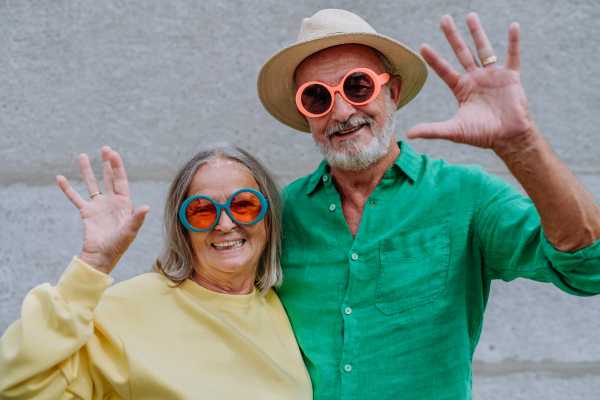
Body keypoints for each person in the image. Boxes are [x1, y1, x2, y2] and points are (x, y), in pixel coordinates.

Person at [257, 9, 600, 399]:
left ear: (393, 92)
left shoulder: (465, 195)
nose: (341, 111)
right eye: (317, 97)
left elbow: (590, 268)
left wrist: (521, 142)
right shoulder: (279, 215)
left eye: (358, 86)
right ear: (307, 115)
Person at [0, 144, 312, 399]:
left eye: (244, 205)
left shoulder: (285, 307)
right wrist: (92, 266)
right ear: (182, 229)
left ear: (269, 220)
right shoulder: (122, 312)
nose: (226, 224)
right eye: (202, 210)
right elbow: (15, 387)